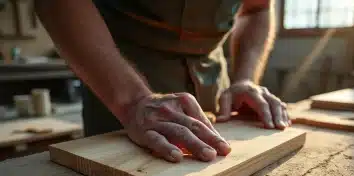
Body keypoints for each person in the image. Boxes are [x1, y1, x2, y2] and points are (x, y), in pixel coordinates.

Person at [34, 0, 291, 163]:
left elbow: (257, 8)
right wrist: (131, 102)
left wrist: (245, 78)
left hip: (214, 80)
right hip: (117, 78)